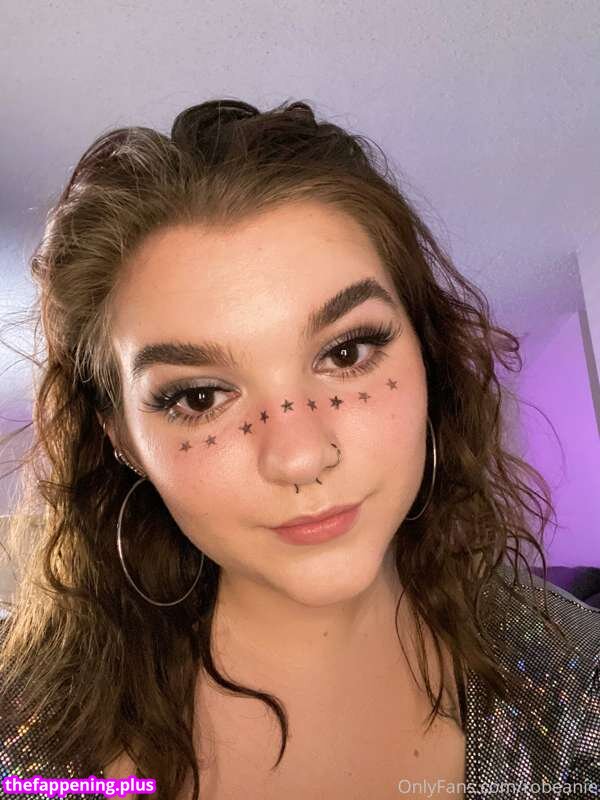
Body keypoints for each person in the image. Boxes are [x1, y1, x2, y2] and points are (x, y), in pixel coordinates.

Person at [0, 98, 598, 800]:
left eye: (347, 352)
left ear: (428, 352)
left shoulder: (578, 690)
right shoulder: (25, 741)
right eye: (200, 397)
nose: (300, 457)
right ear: (122, 438)